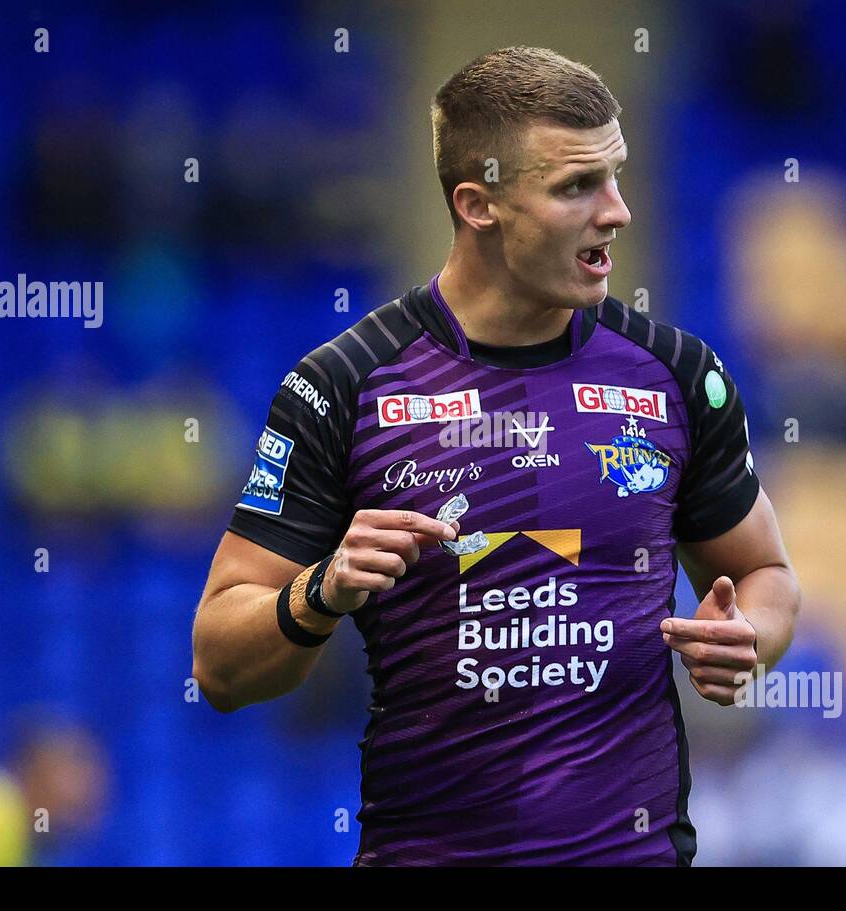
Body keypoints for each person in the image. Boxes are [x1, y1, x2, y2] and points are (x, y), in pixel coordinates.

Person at [192, 46, 800, 865]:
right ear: (478, 205)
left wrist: (749, 637)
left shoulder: (677, 375)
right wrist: (320, 591)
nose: (617, 212)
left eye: (615, 177)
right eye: (577, 186)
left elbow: (767, 575)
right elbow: (221, 668)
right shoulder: (342, 385)